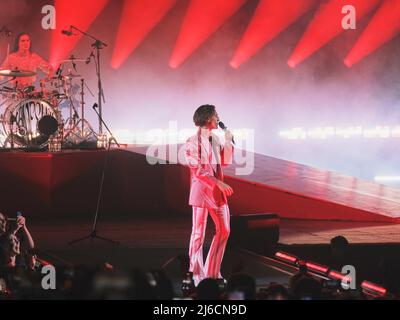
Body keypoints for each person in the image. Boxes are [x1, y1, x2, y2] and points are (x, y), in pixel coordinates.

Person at [185, 104, 234, 286]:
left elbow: (225, 161)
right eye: (215, 115)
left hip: (216, 192)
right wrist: (217, 182)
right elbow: (197, 170)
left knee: (225, 230)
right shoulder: (192, 141)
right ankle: (196, 275)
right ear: (207, 118)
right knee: (198, 233)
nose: (218, 117)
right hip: (202, 191)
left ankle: (212, 272)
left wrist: (228, 141)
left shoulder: (215, 139)